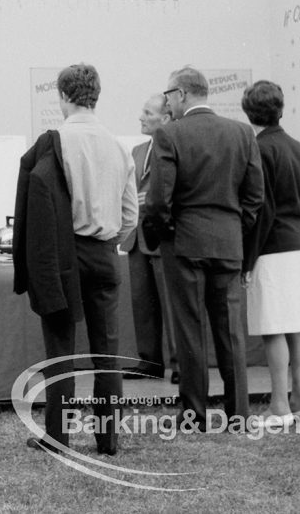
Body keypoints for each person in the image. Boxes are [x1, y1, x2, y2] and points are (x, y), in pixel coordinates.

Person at [14, 64, 137, 455]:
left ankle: (58, 438)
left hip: (64, 255)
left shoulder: (56, 142)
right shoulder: (119, 145)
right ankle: (109, 439)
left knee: (61, 350)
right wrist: (108, 237)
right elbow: (131, 215)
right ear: (96, 96)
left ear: (63, 97)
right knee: (107, 351)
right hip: (104, 255)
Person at [144, 66, 264, 431]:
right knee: (231, 332)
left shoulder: (169, 134)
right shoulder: (243, 133)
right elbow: (255, 197)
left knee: (190, 329)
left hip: (184, 245)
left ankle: (194, 415)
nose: (167, 102)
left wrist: (169, 232)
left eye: (167, 96)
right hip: (228, 244)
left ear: (181, 94)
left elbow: (159, 200)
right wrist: (231, 229)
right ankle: (238, 413)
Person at [241, 80, 300, 426]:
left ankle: (279, 407)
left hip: (271, 248)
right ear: (281, 108)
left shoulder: (258, 149)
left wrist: (248, 260)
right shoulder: (299, 148)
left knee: (274, 327)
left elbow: (261, 210)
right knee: (297, 327)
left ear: (247, 112)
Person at [121, 94, 179, 384]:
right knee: (141, 302)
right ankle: (150, 361)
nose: (141, 117)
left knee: (172, 303)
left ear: (165, 118)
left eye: (147, 112)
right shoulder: (136, 151)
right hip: (136, 238)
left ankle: (181, 364)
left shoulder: (178, 148)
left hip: (163, 237)